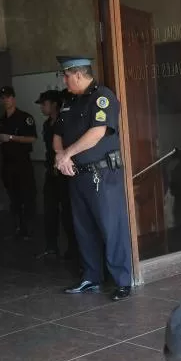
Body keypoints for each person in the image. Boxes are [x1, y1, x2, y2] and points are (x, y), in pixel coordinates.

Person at [54, 56, 132, 301]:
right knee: (83, 228)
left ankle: (122, 281)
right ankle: (91, 277)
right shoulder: (68, 101)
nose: (64, 80)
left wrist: (67, 154)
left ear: (78, 74)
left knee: (111, 227)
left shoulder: (102, 97)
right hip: (76, 174)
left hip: (103, 174)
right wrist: (60, 157)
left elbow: (97, 132)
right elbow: (57, 132)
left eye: (66, 75)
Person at [36, 89, 76, 260]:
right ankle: (51, 246)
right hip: (51, 172)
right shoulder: (47, 124)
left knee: (68, 212)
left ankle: (73, 248)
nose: (42, 108)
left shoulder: (65, 121)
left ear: (54, 104)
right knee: (49, 210)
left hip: (65, 173)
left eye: (44, 104)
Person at [0, 86, 38, 239]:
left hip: (22, 163)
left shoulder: (24, 117)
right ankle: (18, 227)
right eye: (3, 98)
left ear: (13, 98)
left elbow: (32, 138)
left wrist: (12, 138)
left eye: (8, 97)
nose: (5, 100)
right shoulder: (1, 120)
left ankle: (29, 228)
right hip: (7, 163)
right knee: (13, 197)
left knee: (27, 196)